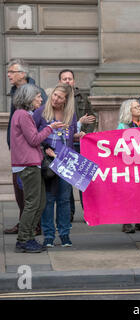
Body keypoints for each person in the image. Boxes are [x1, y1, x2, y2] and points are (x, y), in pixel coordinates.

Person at [10, 84, 64, 253]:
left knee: (39, 203)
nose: (41, 100)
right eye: (38, 97)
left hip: (31, 163)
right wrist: (50, 128)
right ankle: (23, 240)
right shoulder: (23, 115)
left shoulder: (23, 114)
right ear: (29, 98)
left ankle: (29, 237)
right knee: (33, 204)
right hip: (28, 165)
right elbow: (34, 139)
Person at [4, 58, 48, 235]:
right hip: (22, 155)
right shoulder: (17, 94)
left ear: (23, 74)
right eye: (8, 72)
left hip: (30, 155)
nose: (8, 75)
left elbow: (40, 124)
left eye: (12, 72)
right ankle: (26, 231)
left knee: (33, 197)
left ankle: (29, 228)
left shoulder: (33, 93)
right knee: (25, 195)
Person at [33, 83, 79, 248]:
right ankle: (49, 236)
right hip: (48, 161)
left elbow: (69, 136)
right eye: (54, 95)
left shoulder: (70, 114)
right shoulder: (40, 113)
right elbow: (33, 137)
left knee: (65, 199)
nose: (55, 99)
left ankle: (65, 234)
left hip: (66, 160)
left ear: (66, 100)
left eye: (60, 97)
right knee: (48, 199)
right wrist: (47, 150)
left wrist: (77, 136)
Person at [57, 69, 96, 221]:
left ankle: (87, 212)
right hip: (65, 145)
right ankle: (69, 212)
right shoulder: (57, 99)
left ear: (74, 81)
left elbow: (92, 118)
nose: (67, 81)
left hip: (81, 145)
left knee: (82, 181)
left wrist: (85, 134)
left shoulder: (82, 98)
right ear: (60, 82)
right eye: (64, 79)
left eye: (70, 78)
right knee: (66, 181)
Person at [116, 99, 140, 233]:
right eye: (136, 107)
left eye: (139, 106)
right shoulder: (122, 126)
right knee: (128, 193)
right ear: (128, 111)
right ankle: (126, 222)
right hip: (128, 164)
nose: (139, 108)